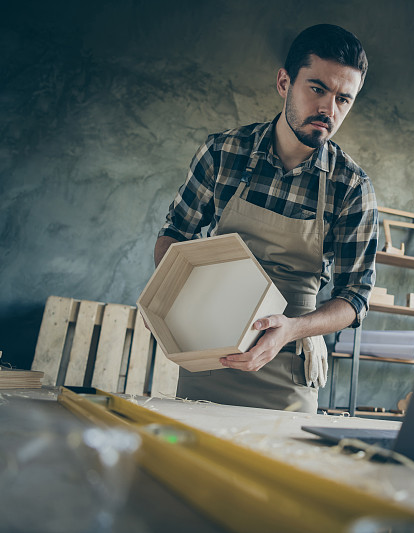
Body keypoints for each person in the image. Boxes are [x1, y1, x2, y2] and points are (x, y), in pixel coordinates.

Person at [154, 24, 378, 414]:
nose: (329, 109)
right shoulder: (223, 153)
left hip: (288, 365)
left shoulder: (351, 188)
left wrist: (295, 329)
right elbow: (174, 235)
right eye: (317, 89)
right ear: (284, 82)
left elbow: (355, 298)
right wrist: (176, 301)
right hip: (210, 351)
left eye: (344, 99)